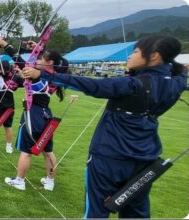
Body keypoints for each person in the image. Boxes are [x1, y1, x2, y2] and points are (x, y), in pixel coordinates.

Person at [22, 35, 187, 218]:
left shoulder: (131, 85)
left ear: (154, 56)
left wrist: (42, 74)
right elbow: (180, 71)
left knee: (96, 212)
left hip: (109, 158)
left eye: (136, 52)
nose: (130, 57)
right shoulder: (176, 83)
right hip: (145, 157)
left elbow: (91, 85)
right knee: (136, 213)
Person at [0, 37, 69, 191]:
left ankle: (19, 181)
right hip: (46, 115)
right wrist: (38, 49)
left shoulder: (38, 76)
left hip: (32, 117)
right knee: (48, 151)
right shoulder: (54, 78)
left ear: (50, 63)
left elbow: (20, 62)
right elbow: (37, 64)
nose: (38, 59)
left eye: (42, 58)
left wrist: (5, 45)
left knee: (26, 152)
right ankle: (49, 181)